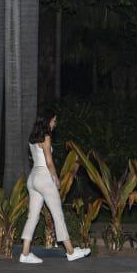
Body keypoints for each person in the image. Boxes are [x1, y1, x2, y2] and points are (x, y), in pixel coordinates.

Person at [18, 113, 91, 264]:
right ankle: (71, 252)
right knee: (58, 215)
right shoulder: (46, 137)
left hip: (33, 178)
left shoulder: (32, 138)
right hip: (44, 177)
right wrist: (56, 178)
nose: (54, 124)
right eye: (54, 121)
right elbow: (49, 162)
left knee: (32, 217)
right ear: (48, 121)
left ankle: (25, 253)